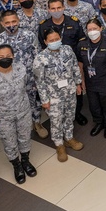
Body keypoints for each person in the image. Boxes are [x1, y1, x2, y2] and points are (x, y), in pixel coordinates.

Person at [0, 45, 38, 184]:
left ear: (13, 56)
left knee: (25, 138)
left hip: (23, 112)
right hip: (3, 117)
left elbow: (27, 88)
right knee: (9, 142)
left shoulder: (21, 69)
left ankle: (25, 161)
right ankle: (16, 165)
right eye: (1, 57)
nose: (5, 59)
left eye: (8, 56)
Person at [0, 10, 45, 139]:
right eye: (7, 22)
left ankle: (37, 123)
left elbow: (38, 57)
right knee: (14, 104)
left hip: (30, 78)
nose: (11, 25)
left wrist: (39, 77)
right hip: (9, 82)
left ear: (18, 21)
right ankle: (20, 127)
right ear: (2, 24)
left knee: (34, 102)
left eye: (14, 21)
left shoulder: (29, 35)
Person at [32, 29, 85, 162]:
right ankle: (59, 145)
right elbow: (40, 81)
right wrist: (44, 100)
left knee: (69, 116)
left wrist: (78, 84)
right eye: (51, 40)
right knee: (56, 120)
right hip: (53, 96)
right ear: (45, 42)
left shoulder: (67, 50)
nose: (55, 42)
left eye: (57, 39)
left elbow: (74, 67)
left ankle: (69, 138)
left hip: (69, 91)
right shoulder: (40, 58)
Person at [77, 18, 106, 138]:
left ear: (101, 29)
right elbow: (80, 63)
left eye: (95, 29)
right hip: (90, 80)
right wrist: (82, 80)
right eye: (89, 29)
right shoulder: (82, 44)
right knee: (94, 104)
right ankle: (98, 122)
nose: (92, 32)